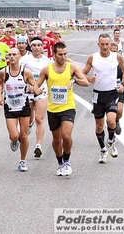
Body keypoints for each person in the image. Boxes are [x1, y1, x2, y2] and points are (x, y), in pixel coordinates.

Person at [35, 42, 89, 175]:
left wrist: (75, 80)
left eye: (65, 54)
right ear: (54, 55)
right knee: (56, 139)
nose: (63, 57)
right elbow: (36, 86)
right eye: (60, 54)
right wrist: (37, 90)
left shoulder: (71, 68)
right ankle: (60, 163)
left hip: (68, 107)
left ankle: (67, 160)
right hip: (53, 109)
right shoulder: (47, 69)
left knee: (66, 135)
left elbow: (86, 82)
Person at [82, 34, 124, 164]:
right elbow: (83, 72)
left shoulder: (116, 57)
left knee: (111, 121)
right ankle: (103, 150)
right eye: (102, 44)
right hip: (98, 94)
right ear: (98, 44)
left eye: (106, 44)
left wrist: (123, 84)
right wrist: (88, 78)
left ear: (110, 44)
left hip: (112, 93)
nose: (104, 47)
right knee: (99, 126)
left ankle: (111, 141)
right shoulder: (93, 57)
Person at [0, 48, 36, 171]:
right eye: (10, 55)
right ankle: (14, 141)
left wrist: (33, 89)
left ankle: (23, 161)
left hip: (24, 106)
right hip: (10, 107)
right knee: (14, 136)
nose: (12, 57)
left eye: (14, 54)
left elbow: (34, 85)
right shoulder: (4, 72)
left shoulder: (26, 72)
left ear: (19, 56)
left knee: (24, 136)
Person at [20, 37, 53, 157]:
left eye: (39, 45)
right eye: (34, 45)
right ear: (31, 46)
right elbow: (19, 74)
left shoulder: (47, 61)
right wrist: (26, 85)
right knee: (29, 118)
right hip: (28, 92)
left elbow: (51, 76)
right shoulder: (24, 60)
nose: (36, 48)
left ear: (42, 47)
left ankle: (38, 145)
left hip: (41, 91)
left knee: (39, 119)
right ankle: (28, 126)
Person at [110, 41, 124, 135]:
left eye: (115, 51)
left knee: (119, 110)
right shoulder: (105, 62)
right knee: (109, 115)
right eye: (111, 51)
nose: (113, 53)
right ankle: (111, 132)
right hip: (108, 90)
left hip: (118, 88)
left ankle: (117, 121)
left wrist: (123, 84)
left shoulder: (120, 61)